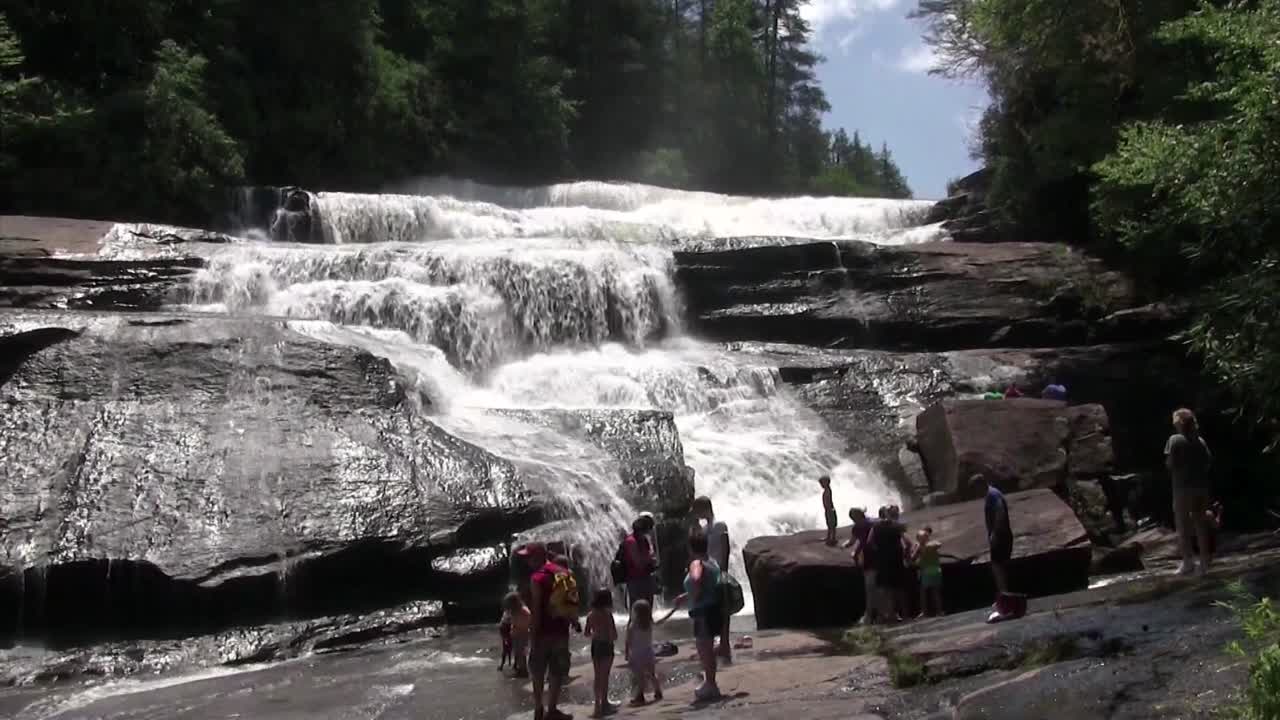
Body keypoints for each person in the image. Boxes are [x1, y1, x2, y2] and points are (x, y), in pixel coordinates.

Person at [675, 527, 722, 702]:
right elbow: (708, 585)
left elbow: (696, 579)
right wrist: (686, 596)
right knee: (707, 649)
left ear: (690, 548)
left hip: (702, 612)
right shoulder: (713, 562)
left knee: (705, 650)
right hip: (713, 610)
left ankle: (710, 685)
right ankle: (711, 683)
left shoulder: (696, 563)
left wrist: (693, 596)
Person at [527, 543, 573, 720]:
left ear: (538, 556)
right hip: (561, 631)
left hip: (543, 632)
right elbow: (570, 602)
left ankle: (539, 709)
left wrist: (533, 634)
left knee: (538, 671)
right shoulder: (564, 573)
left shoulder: (537, 578)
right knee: (556, 671)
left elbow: (537, 608)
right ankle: (552, 709)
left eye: (529, 557)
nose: (527, 560)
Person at [1166, 408, 1214, 576]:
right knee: (1200, 524)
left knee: (1183, 524)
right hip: (1201, 487)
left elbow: (1170, 463)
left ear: (1179, 422)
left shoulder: (1174, 439)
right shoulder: (1200, 441)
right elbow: (1208, 462)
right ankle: (1204, 562)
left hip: (1182, 488)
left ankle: (1188, 562)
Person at [691, 496, 733, 662]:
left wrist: (724, 570)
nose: (696, 514)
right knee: (712, 610)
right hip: (707, 572)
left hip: (718, 571)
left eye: (697, 510)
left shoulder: (720, 525)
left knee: (723, 609)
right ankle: (717, 644)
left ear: (705, 508)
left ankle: (725, 643)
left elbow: (726, 548)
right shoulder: (703, 529)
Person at [585, 588, 617, 718]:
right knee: (605, 675)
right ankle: (604, 703)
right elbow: (613, 634)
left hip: (595, 645)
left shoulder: (590, 615)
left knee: (597, 676)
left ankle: (597, 706)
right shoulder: (607, 614)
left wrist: (595, 634)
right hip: (606, 646)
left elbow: (586, 633)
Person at [624, 599, 662, 706]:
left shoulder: (633, 625)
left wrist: (627, 654)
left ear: (635, 612)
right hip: (649, 653)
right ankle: (658, 691)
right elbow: (661, 621)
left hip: (637, 654)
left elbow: (628, 641)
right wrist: (673, 610)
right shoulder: (649, 623)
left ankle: (640, 696)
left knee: (639, 676)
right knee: (652, 674)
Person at [981, 475, 1014, 598]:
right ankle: (1005, 594)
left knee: (997, 566)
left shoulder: (992, 494)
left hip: (1000, 536)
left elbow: (1000, 511)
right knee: (1000, 565)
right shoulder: (992, 493)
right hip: (1002, 535)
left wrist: (995, 532)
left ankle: (1004, 594)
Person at [846, 508, 877, 624]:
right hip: (880, 556)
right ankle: (882, 614)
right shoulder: (873, 523)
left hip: (869, 558)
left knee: (870, 588)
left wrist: (849, 550)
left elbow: (853, 542)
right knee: (881, 588)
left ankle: (869, 615)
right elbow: (861, 542)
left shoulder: (858, 527)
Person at [622, 516, 658, 609]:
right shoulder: (631, 541)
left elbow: (648, 556)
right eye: (649, 528)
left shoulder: (644, 540)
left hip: (646, 578)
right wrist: (650, 559)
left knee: (647, 609)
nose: (650, 531)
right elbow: (637, 562)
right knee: (636, 610)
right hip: (635, 580)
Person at [912, 527, 944, 617]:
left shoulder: (927, 545)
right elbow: (913, 558)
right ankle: (936, 611)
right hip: (931, 570)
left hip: (929, 571)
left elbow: (938, 544)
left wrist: (920, 548)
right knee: (931, 592)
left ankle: (930, 611)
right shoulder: (926, 545)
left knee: (927, 592)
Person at [502, 591, 532, 677]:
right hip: (517, 634)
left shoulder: (524, 610)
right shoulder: (515, 611)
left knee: (521, 653)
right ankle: (521, 670)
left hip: (522, 634)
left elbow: (527, 622)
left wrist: (515, 627)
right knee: (518, 653)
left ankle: (524, 671)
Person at [820, 476, 837, 546]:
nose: (821, 485)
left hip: (829, 509)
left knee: (832, 524)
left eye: (822, 483)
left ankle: (832, 538)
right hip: (828, 509)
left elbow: (828, 501)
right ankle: (829, 537)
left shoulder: (828, 490)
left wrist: (829, 509)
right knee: (829, 524)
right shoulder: (827, 490)